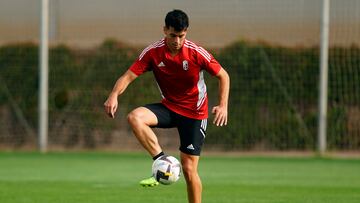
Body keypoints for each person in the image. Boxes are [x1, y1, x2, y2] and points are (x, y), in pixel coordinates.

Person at [104, 9, 230, 203]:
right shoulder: (153, 53)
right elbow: (128, 76)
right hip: (170, 108)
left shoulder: (196, 52)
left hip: (195, 114)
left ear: (186, 32)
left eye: (181, 36)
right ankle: (161, 161)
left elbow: (223, 75)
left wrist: (223, 105)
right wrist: (113, 95)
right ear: (164, 30)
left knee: (189, 170)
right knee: (135, 118)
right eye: (173, 35)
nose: (177, 41)